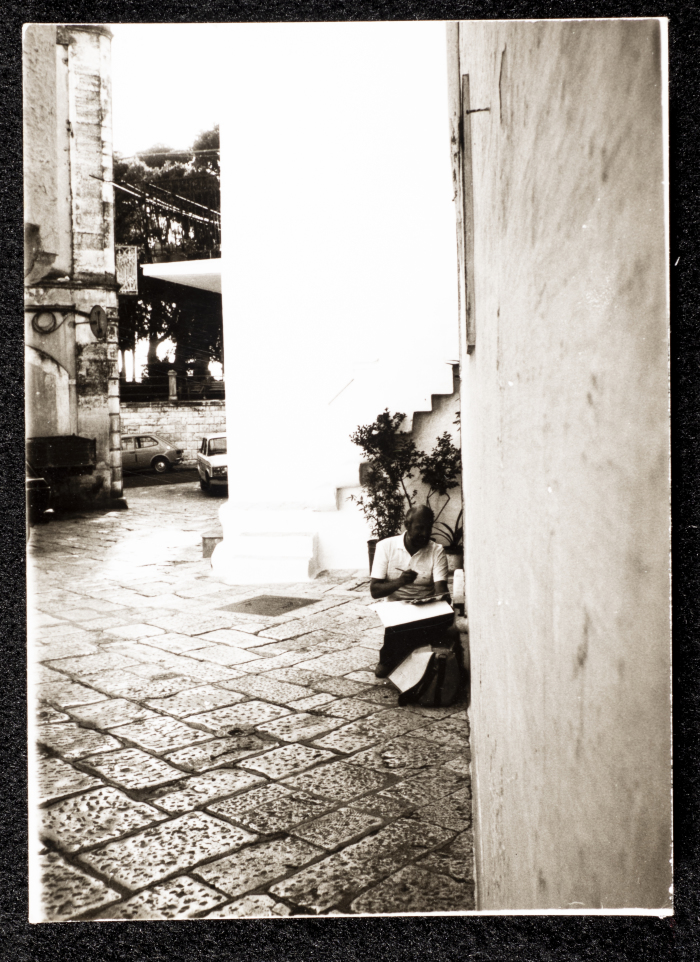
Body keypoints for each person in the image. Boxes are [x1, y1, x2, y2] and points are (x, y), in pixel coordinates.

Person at [370, 504, 457, 677]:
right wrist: (400, 581)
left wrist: (438, 600)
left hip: (426, 609)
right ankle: (410, 651)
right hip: (397, 608)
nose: (424, 533)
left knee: (440, 619)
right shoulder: (385, 547)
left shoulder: (436, 550)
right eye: (419, 528)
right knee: (384, 668)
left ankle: (398, 655)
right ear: (407, 525)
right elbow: (375, 590)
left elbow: (441, 592)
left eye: (428, 528)